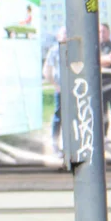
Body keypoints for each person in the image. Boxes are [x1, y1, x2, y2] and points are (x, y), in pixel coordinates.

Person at [43, 25, 66, 154]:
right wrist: (56, 85)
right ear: (58, 36)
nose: (66, 36)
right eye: (63, 34)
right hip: (60, 90)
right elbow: (46, 71)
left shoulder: (75, 50)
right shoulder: (53, 51)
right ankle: (55, 144)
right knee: (59, 116)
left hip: (75, 90)